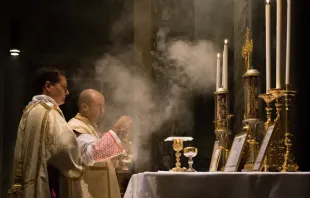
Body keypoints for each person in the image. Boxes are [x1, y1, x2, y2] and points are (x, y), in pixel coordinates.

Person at [8, 67, 84, 198]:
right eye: (64, 87)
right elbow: (66, 147)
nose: (67, 92)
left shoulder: (30, 110)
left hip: (27, 181)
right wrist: (79, 159)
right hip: (47, 182)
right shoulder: (50, 113)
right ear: (48, 86)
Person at [68, 89, 132, 198]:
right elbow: (95, 153)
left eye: (103, 107)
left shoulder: (89, 126)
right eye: (99, 107)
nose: (102, 111)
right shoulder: (76, 127)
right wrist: (116, 128)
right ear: (85, 107)